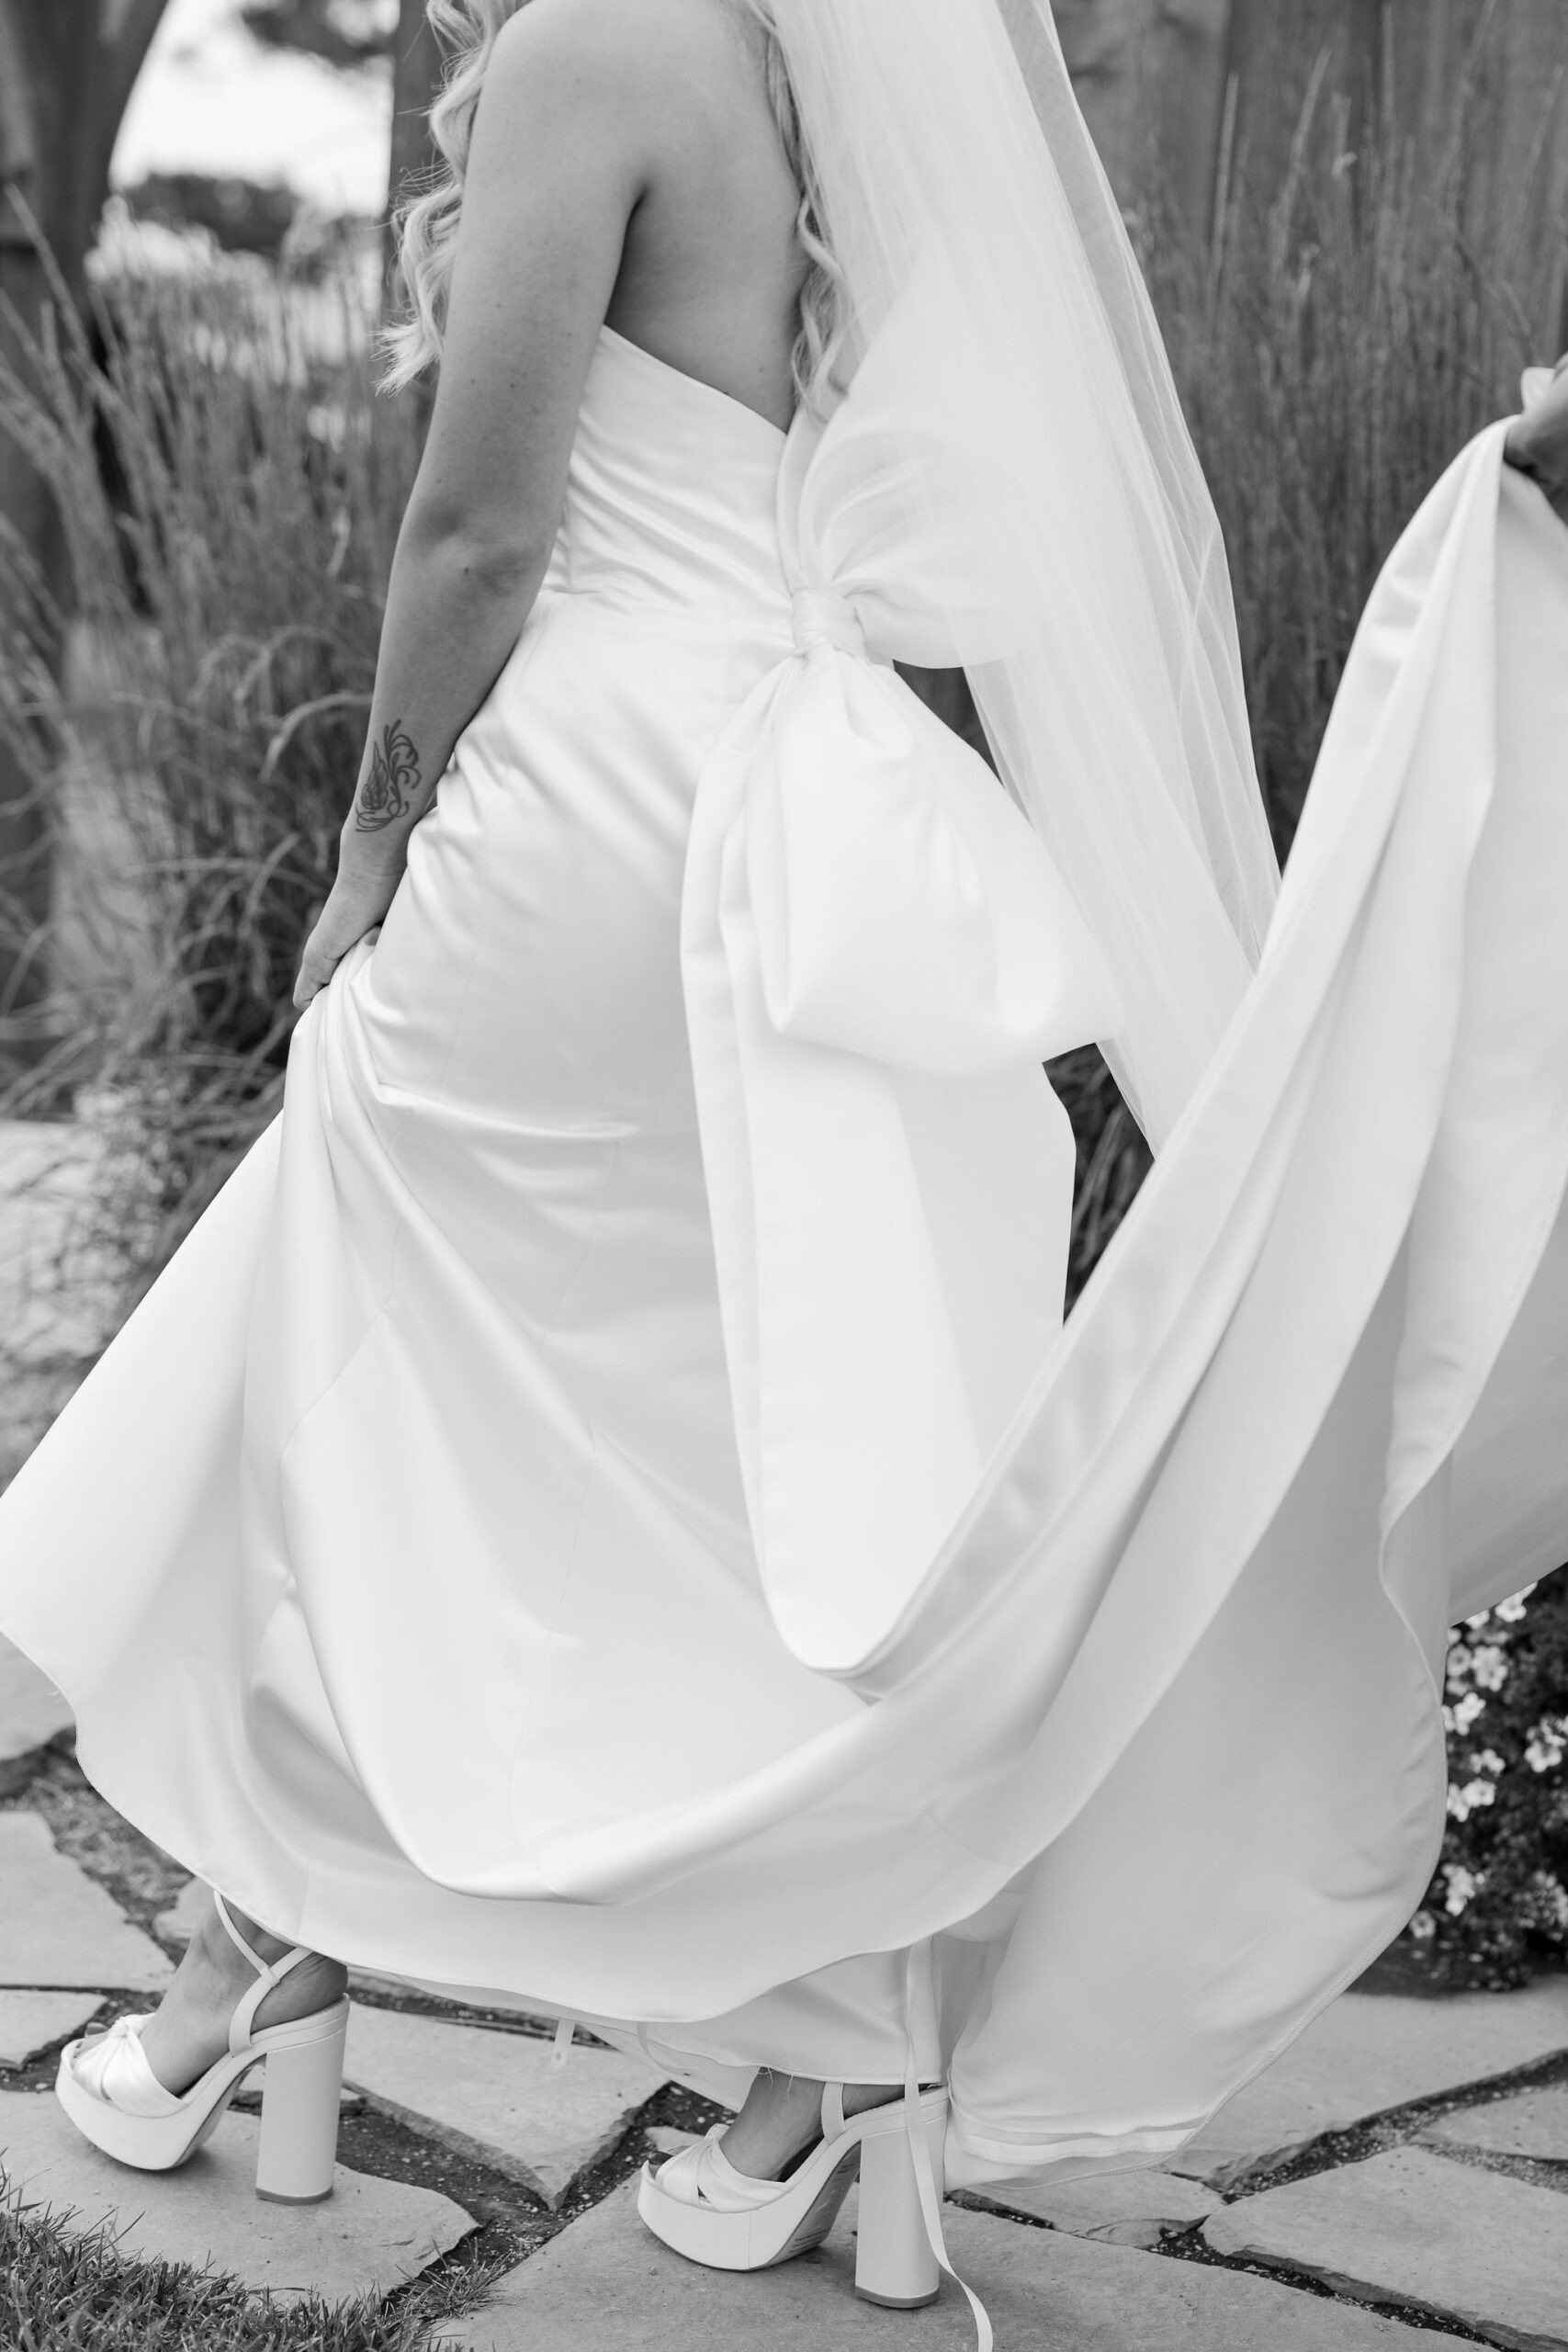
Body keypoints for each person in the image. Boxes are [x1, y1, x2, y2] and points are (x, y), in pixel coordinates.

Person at [3, 0, 1566, 2332]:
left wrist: (370, 840)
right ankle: (809, 2076)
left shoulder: (582, 52)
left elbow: (478, 516)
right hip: (793, 795)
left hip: (591, 807)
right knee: (743, 1475)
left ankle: (263, 1960)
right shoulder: (798, 62)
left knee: (359, 1384)